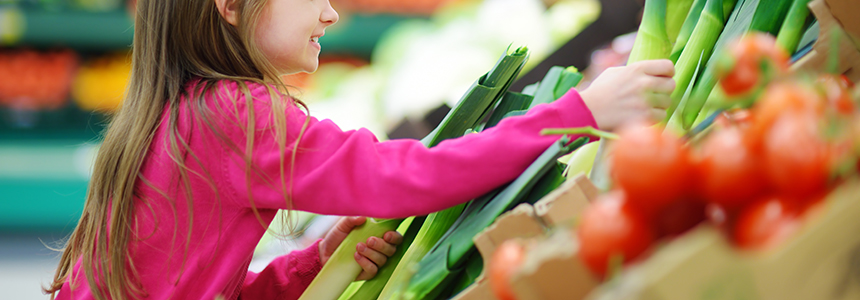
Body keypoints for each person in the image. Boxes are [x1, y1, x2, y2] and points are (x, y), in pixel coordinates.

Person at [44, 0, 676, 299]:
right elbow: (402, 176)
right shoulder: (232, 115)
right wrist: (577, 114)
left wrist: (311, 262)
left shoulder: (180, 115)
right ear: (231, 6)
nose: (329, 13)